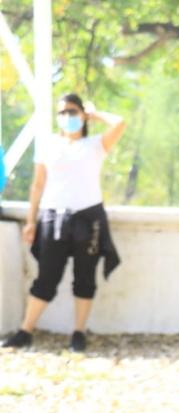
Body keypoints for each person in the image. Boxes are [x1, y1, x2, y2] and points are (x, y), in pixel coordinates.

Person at [2, 94, 125, 351]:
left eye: (72, 111)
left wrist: (94, 114)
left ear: (82, 114)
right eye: (62, 112)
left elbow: (120, 123)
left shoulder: (95, 144)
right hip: (52, 217)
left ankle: (78, 333)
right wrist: (31, 221)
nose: (67, 116)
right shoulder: (48, 144)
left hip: (88, 218)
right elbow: (37, 185)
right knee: (47, 277)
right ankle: (25, 331)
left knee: (85, 277)